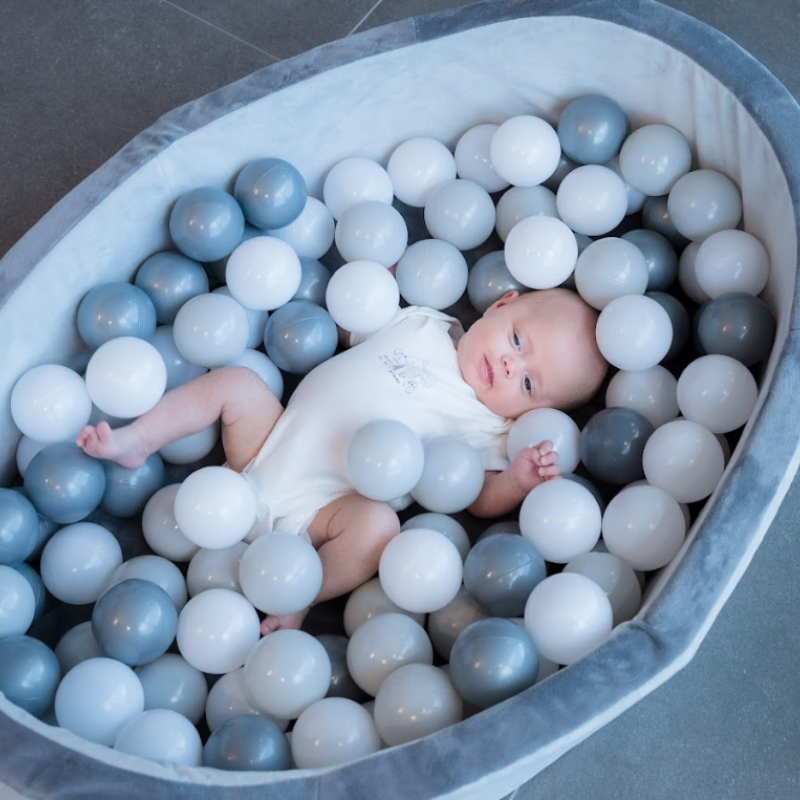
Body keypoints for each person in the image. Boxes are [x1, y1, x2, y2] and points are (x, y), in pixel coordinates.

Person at [76, 287, 608, 634]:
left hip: (317, 518)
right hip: (266, 448)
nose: (510, 364)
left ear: (531, 412)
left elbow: (475, 494)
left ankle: (299, 594)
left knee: (376, 525)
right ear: (500, 304)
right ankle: (139, 438)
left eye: (529, 383)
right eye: (517, 338)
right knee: (239, 383)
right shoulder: (424, 323)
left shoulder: (491, 427)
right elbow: (356, 322)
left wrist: (516, 479)